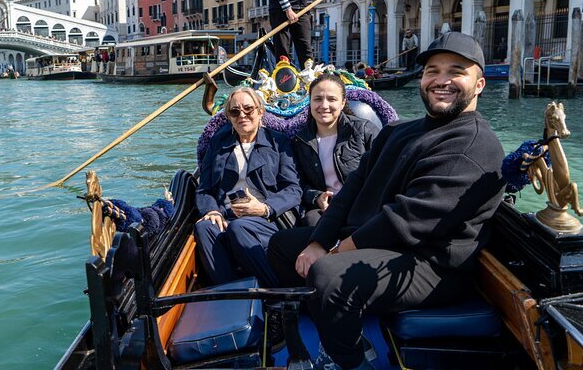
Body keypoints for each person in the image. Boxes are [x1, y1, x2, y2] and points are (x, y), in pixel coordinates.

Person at [268, 32, 505, 370]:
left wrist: (333, 251)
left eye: (456, 71)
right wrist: (319, 240)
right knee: (281, 246)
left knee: (328, 276)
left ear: (479, 84)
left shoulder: (474, 145)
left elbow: (404, 220)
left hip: (431, 263)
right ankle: (335, 321)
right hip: (379, 242)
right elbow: (353, 188)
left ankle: (350, 360)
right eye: (432, 71)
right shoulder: (398, 131)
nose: (441, 80)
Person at [195, 86, 302, 287]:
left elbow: (293, 189)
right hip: (226, 215)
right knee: (203, 227)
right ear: (228, 116)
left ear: (260, 111)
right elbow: (204, 188)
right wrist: (212, 210)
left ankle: (274, 290)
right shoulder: (217, 143)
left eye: (248, 109)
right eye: (235, 111)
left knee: (239, 227)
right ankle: (232, 293)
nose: (242, 115)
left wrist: (265, 208)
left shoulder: (278, 143)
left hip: (267, 218)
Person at [292, 74, 379, 227]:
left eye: (331, 99)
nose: (324, 106)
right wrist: (317, 197)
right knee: (312, 221)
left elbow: (383, 173)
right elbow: (298, 183)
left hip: (361, 204)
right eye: (317, 99)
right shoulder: (300, 141)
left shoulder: (364, 131)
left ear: (342, 103)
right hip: (326, 208)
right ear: (310, 102)